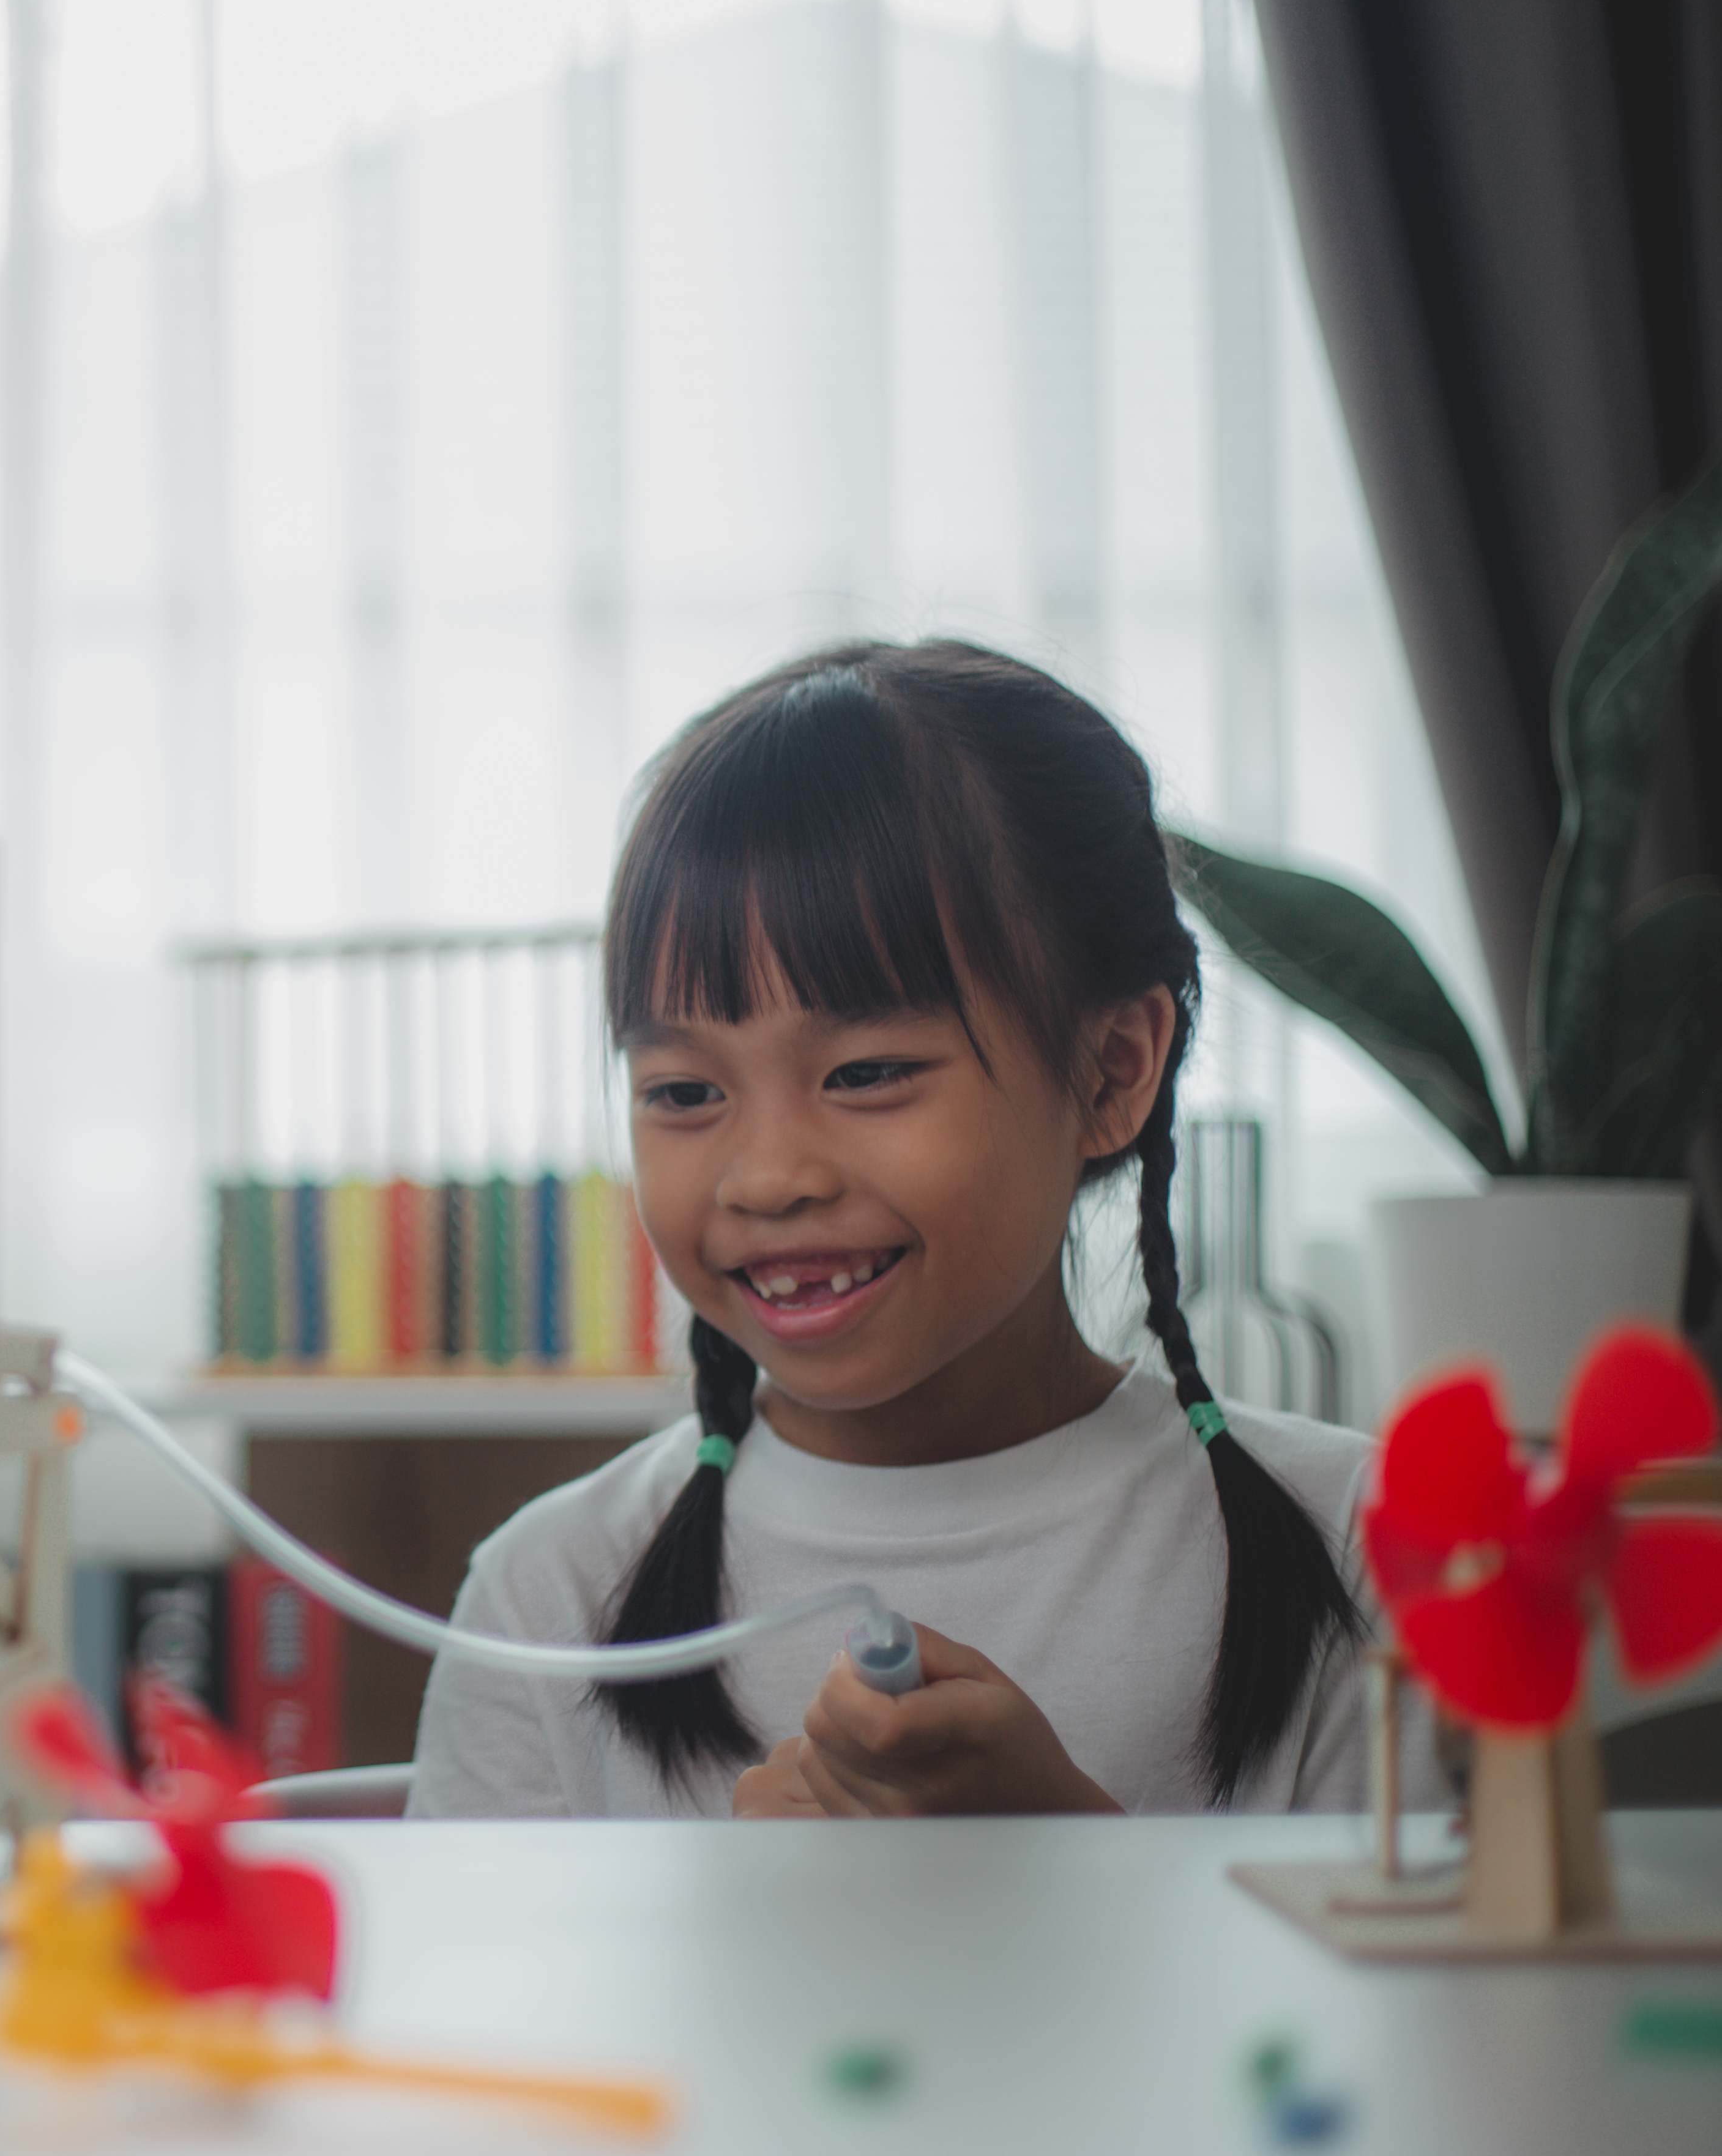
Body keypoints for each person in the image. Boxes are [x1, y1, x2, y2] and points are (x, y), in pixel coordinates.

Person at [411, 641, 1429, 1819]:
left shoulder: (1364, 1554)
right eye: (684, 1091)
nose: (768, 1177)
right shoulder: (546, 1603)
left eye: (868, 1073)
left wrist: (1057, 1861)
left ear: (1112, 1070)